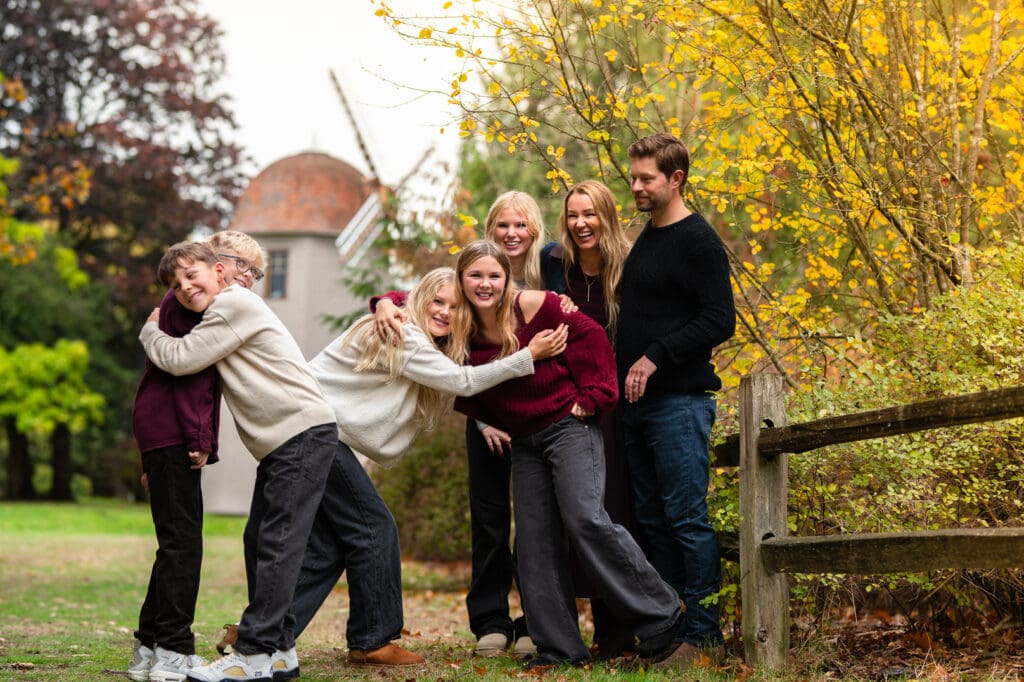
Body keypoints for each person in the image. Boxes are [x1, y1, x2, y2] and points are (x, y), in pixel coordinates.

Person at [282, 267, 567, 664]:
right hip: (313, 432)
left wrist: (553, 303)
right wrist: (528, 356)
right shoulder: (404, 334)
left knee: (330, 546)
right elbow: (464, 382)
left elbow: (459, 351)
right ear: (419, 299)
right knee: (375, 529)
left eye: (455, 307)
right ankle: (371, 641)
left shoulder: (422, 338)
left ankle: (264, 630)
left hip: (311, 432)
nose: (445, 312)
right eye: (438, 301)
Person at [451, 240, 686, 668]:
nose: (485, 284)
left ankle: (662, 615)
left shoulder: (531, 305)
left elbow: (590, 334)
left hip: (567, 427)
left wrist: (595, 394)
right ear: (461, 280)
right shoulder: (459, 324)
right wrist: (384, 304)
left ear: (506, 279)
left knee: (584, 517)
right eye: (475, 275)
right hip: (525, 440)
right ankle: (559, 649)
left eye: (494, 275)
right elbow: (405, 303)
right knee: (534, 543)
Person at [138, 241, 337, 682]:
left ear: (219, 270)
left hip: (300, 432)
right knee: (261, 541)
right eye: (177, 284)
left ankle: (254, 653)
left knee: (278, 544)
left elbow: (181, 359)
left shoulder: (233, 304)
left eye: (192, 276)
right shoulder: (224, 307)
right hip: (283, 440)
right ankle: (280, 650)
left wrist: (150, 331)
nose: (185, 288)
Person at [372, 191, 549, 659]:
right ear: (490, 230)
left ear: (534, 229)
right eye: (502, 225)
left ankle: (535, 622)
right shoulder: (469, 274)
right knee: (489, 521)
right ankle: (490, 622)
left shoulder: (549, 272)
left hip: (538, 418)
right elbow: (415, 299)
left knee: (536, 524)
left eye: (521, 225)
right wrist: (383, 302)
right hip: (485, 417)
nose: (511, 233)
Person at [617, 133, 737, 666]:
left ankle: (705, 639)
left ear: (676, 179)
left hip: (679, 404)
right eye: (633, 177)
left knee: (687, 519)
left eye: (647, 179)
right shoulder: (648, 237)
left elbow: (719, 319)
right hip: (638, 407)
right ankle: (669, 633)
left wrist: (655, 356)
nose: (636, 186)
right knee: (652, 521)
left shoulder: (698, 241)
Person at [127, 232, 265, 682]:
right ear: (219, 265)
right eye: (242, 267)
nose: (246, 278)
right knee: (183, 546)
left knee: (175, 544)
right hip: (173, 434)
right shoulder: (185, 308)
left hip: (162, 434)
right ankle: (173, 650)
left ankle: (149, 647)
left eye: (255, 273)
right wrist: (201, 438)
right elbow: (190, 380)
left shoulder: (188, 306)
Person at [540, 179, 637, 660]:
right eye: (573, 215)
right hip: (573, 408)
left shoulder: (629, 266)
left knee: (619, 512)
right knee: (584, 514)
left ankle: (627, 629)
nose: (581, 223)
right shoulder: (555, 266)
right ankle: (596, 632)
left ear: (607, 216)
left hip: (621, 408)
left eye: (590, 213)